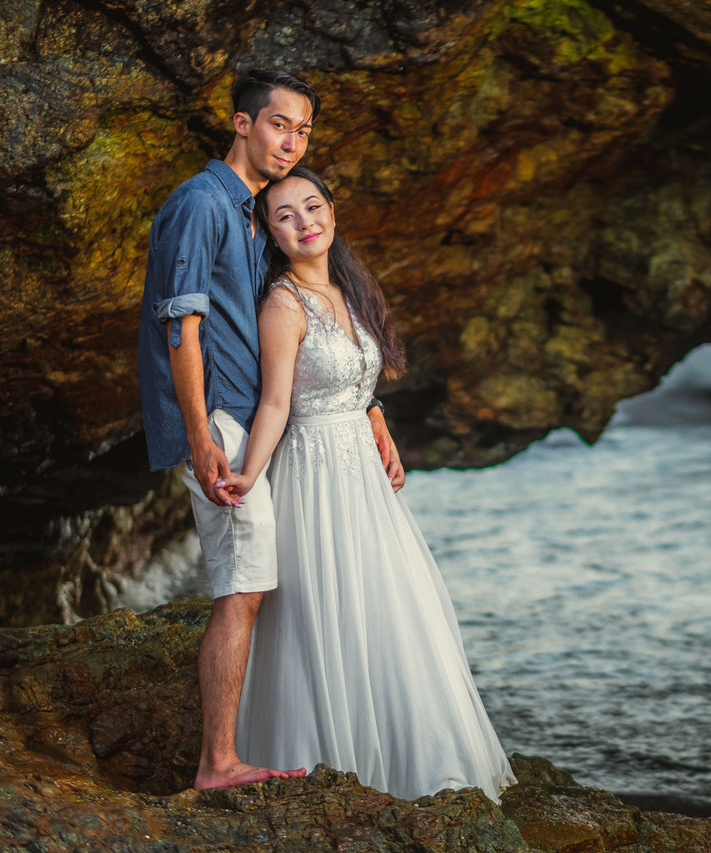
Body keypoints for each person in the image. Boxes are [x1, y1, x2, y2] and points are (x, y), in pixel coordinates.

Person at [136, 70, 403, 790]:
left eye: (305, 130)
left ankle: (244, 744)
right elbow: (181, 327)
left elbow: (305, 339)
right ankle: (217, 760)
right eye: (280, 124)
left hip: (247, 415)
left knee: (257, 581)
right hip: (218, 417)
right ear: (242, 123)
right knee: (244, 582)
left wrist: (366, 404)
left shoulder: (253, 214)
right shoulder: (200, 203)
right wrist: (200, 436)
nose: (292, 141)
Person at [224, 167, 516, 802]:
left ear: (333, 211)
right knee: (321, 607)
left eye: (312, 206)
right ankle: (324, 757)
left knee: (385, 602)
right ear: (271, 234)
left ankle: (409, 762)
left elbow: (360, 383)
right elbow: (276, 403)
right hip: (311, 471)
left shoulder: (352, 292)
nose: (305, 223)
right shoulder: (282, 303)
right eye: (285, 216)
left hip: (361, 471)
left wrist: (376, 415)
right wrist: (248, 472)